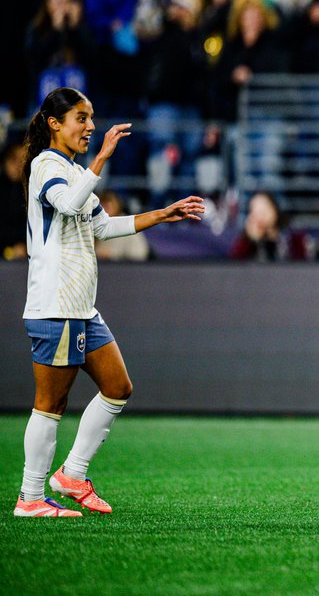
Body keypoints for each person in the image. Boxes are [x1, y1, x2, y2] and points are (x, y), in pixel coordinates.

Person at [16, 87, 204, 517]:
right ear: (54, 124)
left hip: (81, 306)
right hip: (55, 305)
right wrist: (100, 160)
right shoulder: (47, 167)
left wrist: (162, 214)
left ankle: (72, 476)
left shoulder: (73, 170)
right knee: (50, 405)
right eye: (81, 118)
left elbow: (100, 227)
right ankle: (29, 498)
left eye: (91, 117)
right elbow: (67, 203)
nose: (90, 127)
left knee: (118, 388)